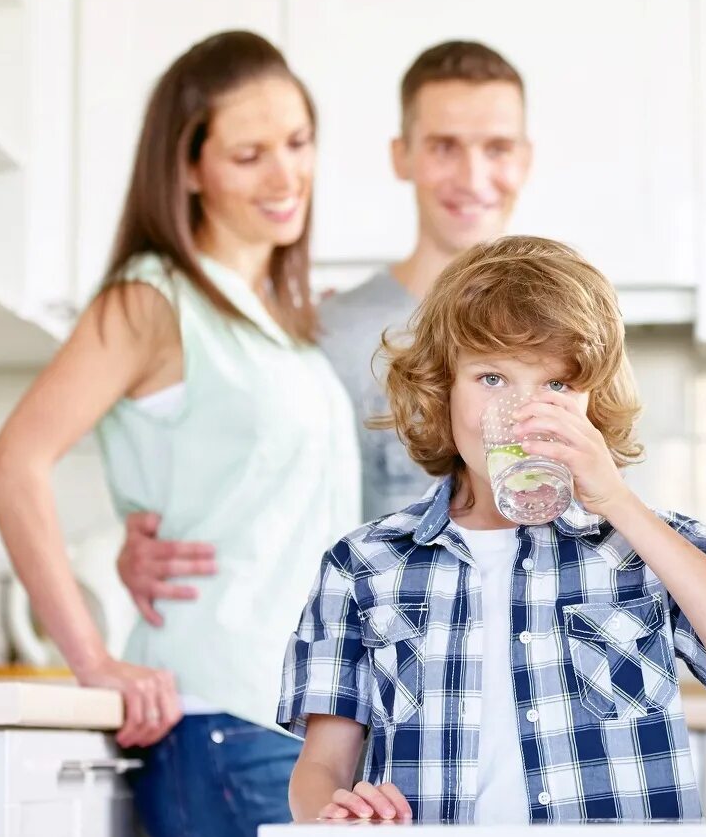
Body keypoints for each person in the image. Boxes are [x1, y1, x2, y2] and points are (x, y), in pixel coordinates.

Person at [0, 31, 359, 837]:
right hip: (222, 721)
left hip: (294, 726)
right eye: (249, 153)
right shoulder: (151, 298)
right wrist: (93, 659)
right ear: (188, 168)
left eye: (297, 144)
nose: (286, 175)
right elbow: (12, 466)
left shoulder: (274, 323)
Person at [278, 236, 706, 823]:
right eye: (492, 379)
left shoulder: (646, 546)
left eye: (557, 385)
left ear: (593, 405)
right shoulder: (364, 566)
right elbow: (321, 768)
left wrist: (618, 502)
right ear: (441, 386)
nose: (523, 413)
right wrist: (337, 819)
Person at [117, 39, 533, 622]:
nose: (473, 176)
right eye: (444, 146)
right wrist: (142, 546)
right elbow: (248, 494)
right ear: (402, 156)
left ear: (527, 158)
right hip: (376, 678)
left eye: (498, 147)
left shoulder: (565, 333)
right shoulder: (321, 336)